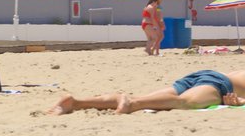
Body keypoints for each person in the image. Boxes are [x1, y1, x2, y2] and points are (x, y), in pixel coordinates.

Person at [49, 69, 245, 114]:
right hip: (219, 83)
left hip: (202, 75)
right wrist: (239, 102)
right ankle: (131, 104)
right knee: (186, 103)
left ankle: (76, 102)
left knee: (152, 99)